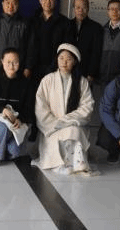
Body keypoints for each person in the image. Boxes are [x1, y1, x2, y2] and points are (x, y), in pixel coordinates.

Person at [32, 43, 96, 176]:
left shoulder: (82, 82)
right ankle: (60, 164)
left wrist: (66, 121)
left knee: (73, 131)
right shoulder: (48, 79)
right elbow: (40, 106)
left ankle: (74, 164)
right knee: (63, 135)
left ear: (75, 62)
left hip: (72, 124)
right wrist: (55, 123)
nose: (64, 62)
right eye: (61, 58)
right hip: (51, 127)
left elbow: (87, 106)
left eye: (68, 59)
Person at [0, 48, 34, 166]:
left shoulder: (26, 83)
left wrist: (20, 119)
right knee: (3, 128)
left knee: (15, 152)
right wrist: (2, 110)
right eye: (8, 62)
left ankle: (2, 148)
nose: (11, 66)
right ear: (2, 61)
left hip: (18, 124)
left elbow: (29, 108)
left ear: (19, 62)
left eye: (15, 62)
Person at [25, 0, 68, 81]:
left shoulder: (64, 22)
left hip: (55, 67)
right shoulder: (32, 21)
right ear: (40, 0)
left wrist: (58, 66)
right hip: (34, 68)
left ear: (55, 2)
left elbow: (65, 47)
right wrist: (27, 66)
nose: (48, 2)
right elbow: (27, 45)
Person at [64, 0, 103, 83]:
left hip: (86, 72)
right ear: (74, 9)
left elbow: (96, 52)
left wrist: (91, 74)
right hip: (67, 69)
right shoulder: (66, 25)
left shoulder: (96, 27)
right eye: (78, 7)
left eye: (84, 7)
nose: (80, 10)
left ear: (88, 9)